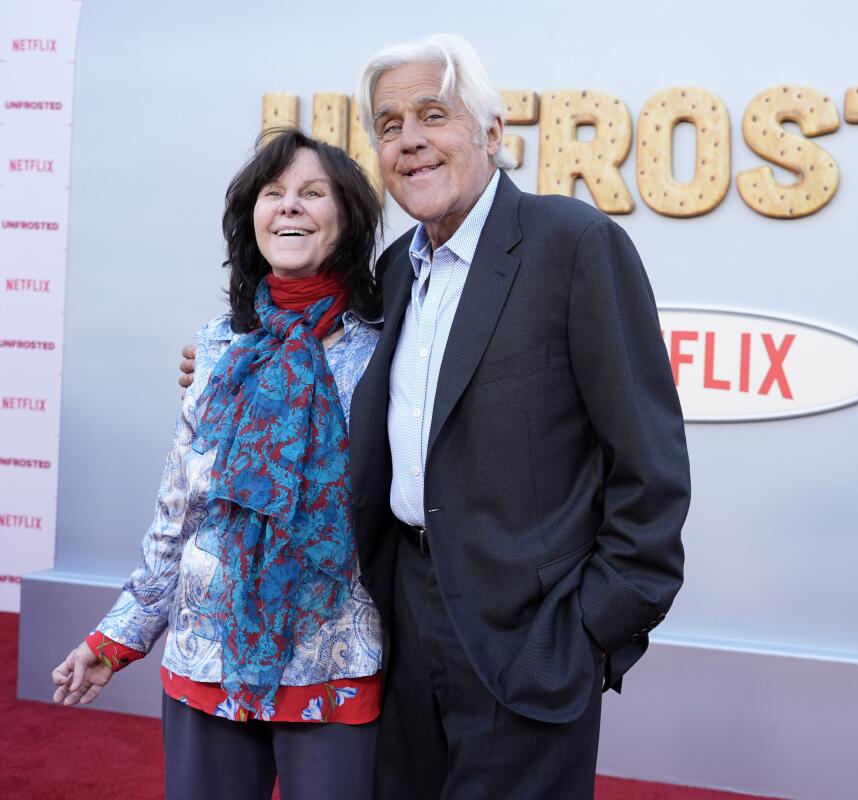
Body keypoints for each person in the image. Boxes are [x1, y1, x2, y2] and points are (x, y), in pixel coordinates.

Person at [180, 33, 691, 798]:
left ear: (491, 133)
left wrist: (589, 633)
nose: (410, 140)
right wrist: (215, 369)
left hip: (532, 636)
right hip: (404, 620)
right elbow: (316, 365)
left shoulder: (575, 245)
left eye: (433, 115)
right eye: (390, 126)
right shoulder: (393, 272)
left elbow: (651, 467)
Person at [52, 128, 386, 800]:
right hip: (210, 652)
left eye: (312, 193)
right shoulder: (216, 348)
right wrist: (118, 635)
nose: (289, 207)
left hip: (336, 658)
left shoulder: (383, 352)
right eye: (274, 193)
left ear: (347, 219)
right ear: (250, 218)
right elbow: (180, 511)